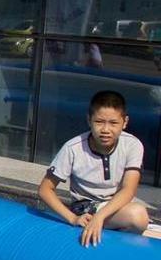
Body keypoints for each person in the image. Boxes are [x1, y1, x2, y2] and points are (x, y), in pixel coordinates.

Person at [38, 89, 150, 246]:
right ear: (89, 120)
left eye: (113, 123)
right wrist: (72, 218)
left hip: (115, 206)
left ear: (125, 122)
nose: (105, 130)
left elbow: (128, 189)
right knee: (138, 216)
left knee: (140, 217)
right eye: (99, 122)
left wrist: (100, 217)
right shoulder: (73, 148)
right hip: (86, 208)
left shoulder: (132, 145)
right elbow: (45, 189)